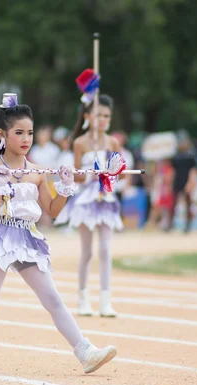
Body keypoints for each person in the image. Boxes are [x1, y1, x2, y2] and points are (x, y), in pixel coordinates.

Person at [0, 93, 117, 375]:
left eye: (29, 132)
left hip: (27, 238)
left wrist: (65, 186)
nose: (26, 138)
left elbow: (52, 210)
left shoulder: (38, 171)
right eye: (19, 133)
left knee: (52, 299)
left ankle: (85, 351)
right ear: (3, 134)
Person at [53, 95, 122, 317]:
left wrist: (109, 176)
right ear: (87, 116)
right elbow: (77, 177)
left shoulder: (112, 142)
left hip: (105, 199)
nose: (102, 119)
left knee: (105, 250)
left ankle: (105, 300)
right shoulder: (80, 143)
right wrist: (86, 175)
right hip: (85, 200)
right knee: (87, 252)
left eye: (106, 116)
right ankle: (83, 298)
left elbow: (117, 173)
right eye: (98, 115)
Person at [167, 132, 197, 233]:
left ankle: (188, 225)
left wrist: (191, 183)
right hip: (177, 181)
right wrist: (170, 183)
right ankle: (170, 224)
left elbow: (193, 170)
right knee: (173, 204)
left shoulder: (190, 156)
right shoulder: (176, 156)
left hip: (186, 180)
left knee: (188, 204)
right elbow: (173, 171)